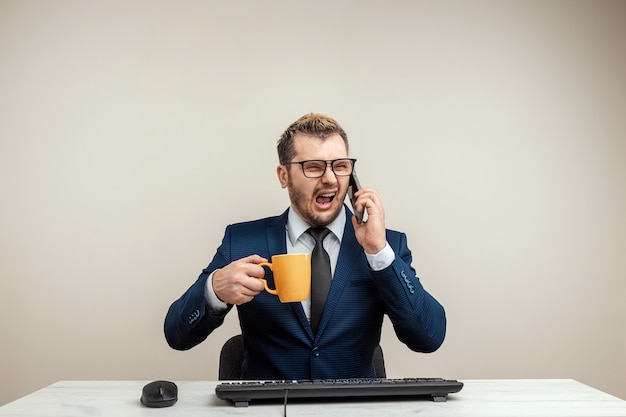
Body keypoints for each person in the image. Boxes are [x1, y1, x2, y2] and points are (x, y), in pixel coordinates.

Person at [164, 113, 446, 380]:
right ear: (283, 175)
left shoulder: (386, 245)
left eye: (340, 166)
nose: (330, 179)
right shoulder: (241, 241)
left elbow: (428, 337)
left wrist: (378, 251)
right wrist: (215, 289)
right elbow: (176, 335)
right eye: (313, 167)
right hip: (269, 410)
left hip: (352, 410)